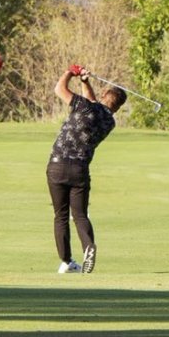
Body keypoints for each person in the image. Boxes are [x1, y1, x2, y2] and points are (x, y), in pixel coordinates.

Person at [47, 64, 126, 274]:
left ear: (104, 95)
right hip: (80, 169)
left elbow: (59, 89)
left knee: (60, 216)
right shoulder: (109, 121)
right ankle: (88, 246)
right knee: (80, 215)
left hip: (57, 165)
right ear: (117, 107)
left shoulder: (84, 106)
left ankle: (66, 261)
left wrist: (70, 73)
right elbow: (93, 103)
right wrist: (84, 82)